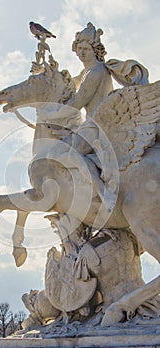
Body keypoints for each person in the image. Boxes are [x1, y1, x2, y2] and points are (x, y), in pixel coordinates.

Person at [48, 22, 148, 211]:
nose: (82, 53)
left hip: (98, 124)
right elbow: (71, 82)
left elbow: (77, 102)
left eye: (86, 48)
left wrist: (52, 114)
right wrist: (54, 72)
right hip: (91, 124)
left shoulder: (95, 72)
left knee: (71, 154)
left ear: (95, 50)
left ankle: (105, 195)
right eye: (79, 49)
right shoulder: (86, 71)